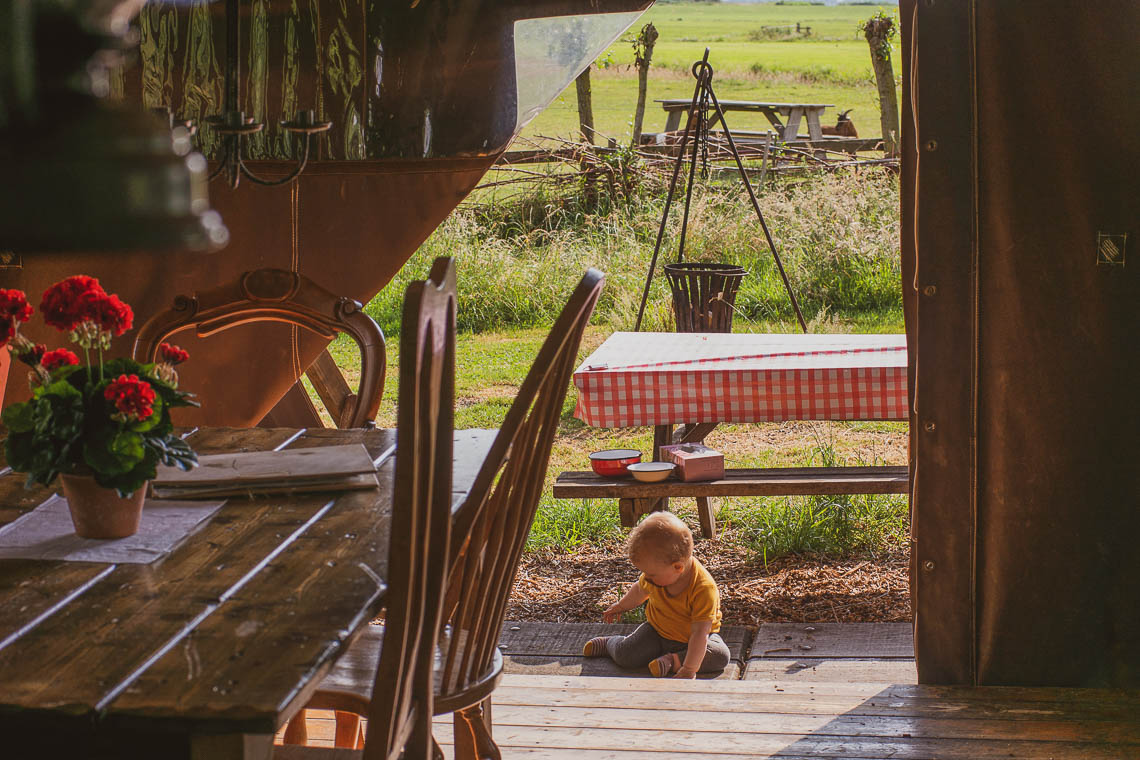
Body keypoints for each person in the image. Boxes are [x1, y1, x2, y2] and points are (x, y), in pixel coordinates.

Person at [583, 511, 730, 678]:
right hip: (657, 631)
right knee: (627, 655)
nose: (647, 577)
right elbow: (640, 590)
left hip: (693, 639)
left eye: (651, 574)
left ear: (677, 567)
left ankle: (672, 661)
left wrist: (689, 669)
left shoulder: (703, 588)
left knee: (719, 655)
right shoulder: (655, 578)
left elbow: (700, 633)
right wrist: (621, 606)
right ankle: (609, 644)